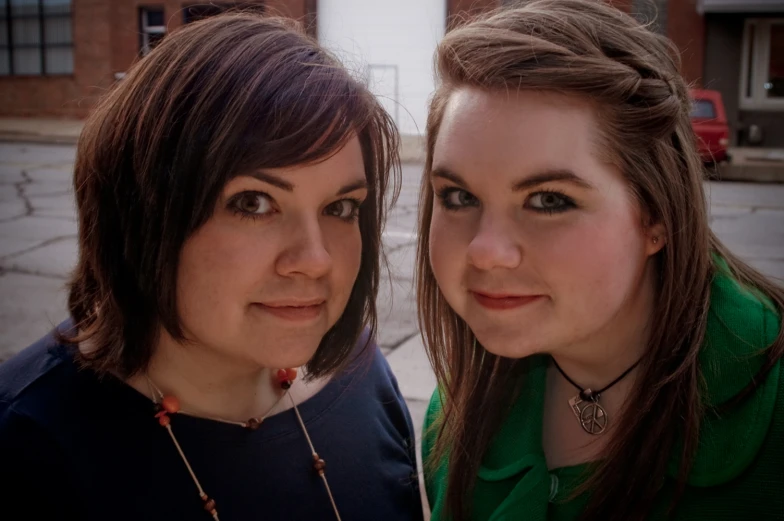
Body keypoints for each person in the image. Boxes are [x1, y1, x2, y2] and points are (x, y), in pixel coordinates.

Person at [0, 13, 423, 521]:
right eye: (253, 203)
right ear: (140, 215)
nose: (316, 260)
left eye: (341, 207)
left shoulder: (359, 371)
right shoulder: (27, 442)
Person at [416, 1, 784, 520]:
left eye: (549, 200)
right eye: (458, 197)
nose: (485, 251)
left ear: (656, 214)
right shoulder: (454, 412)